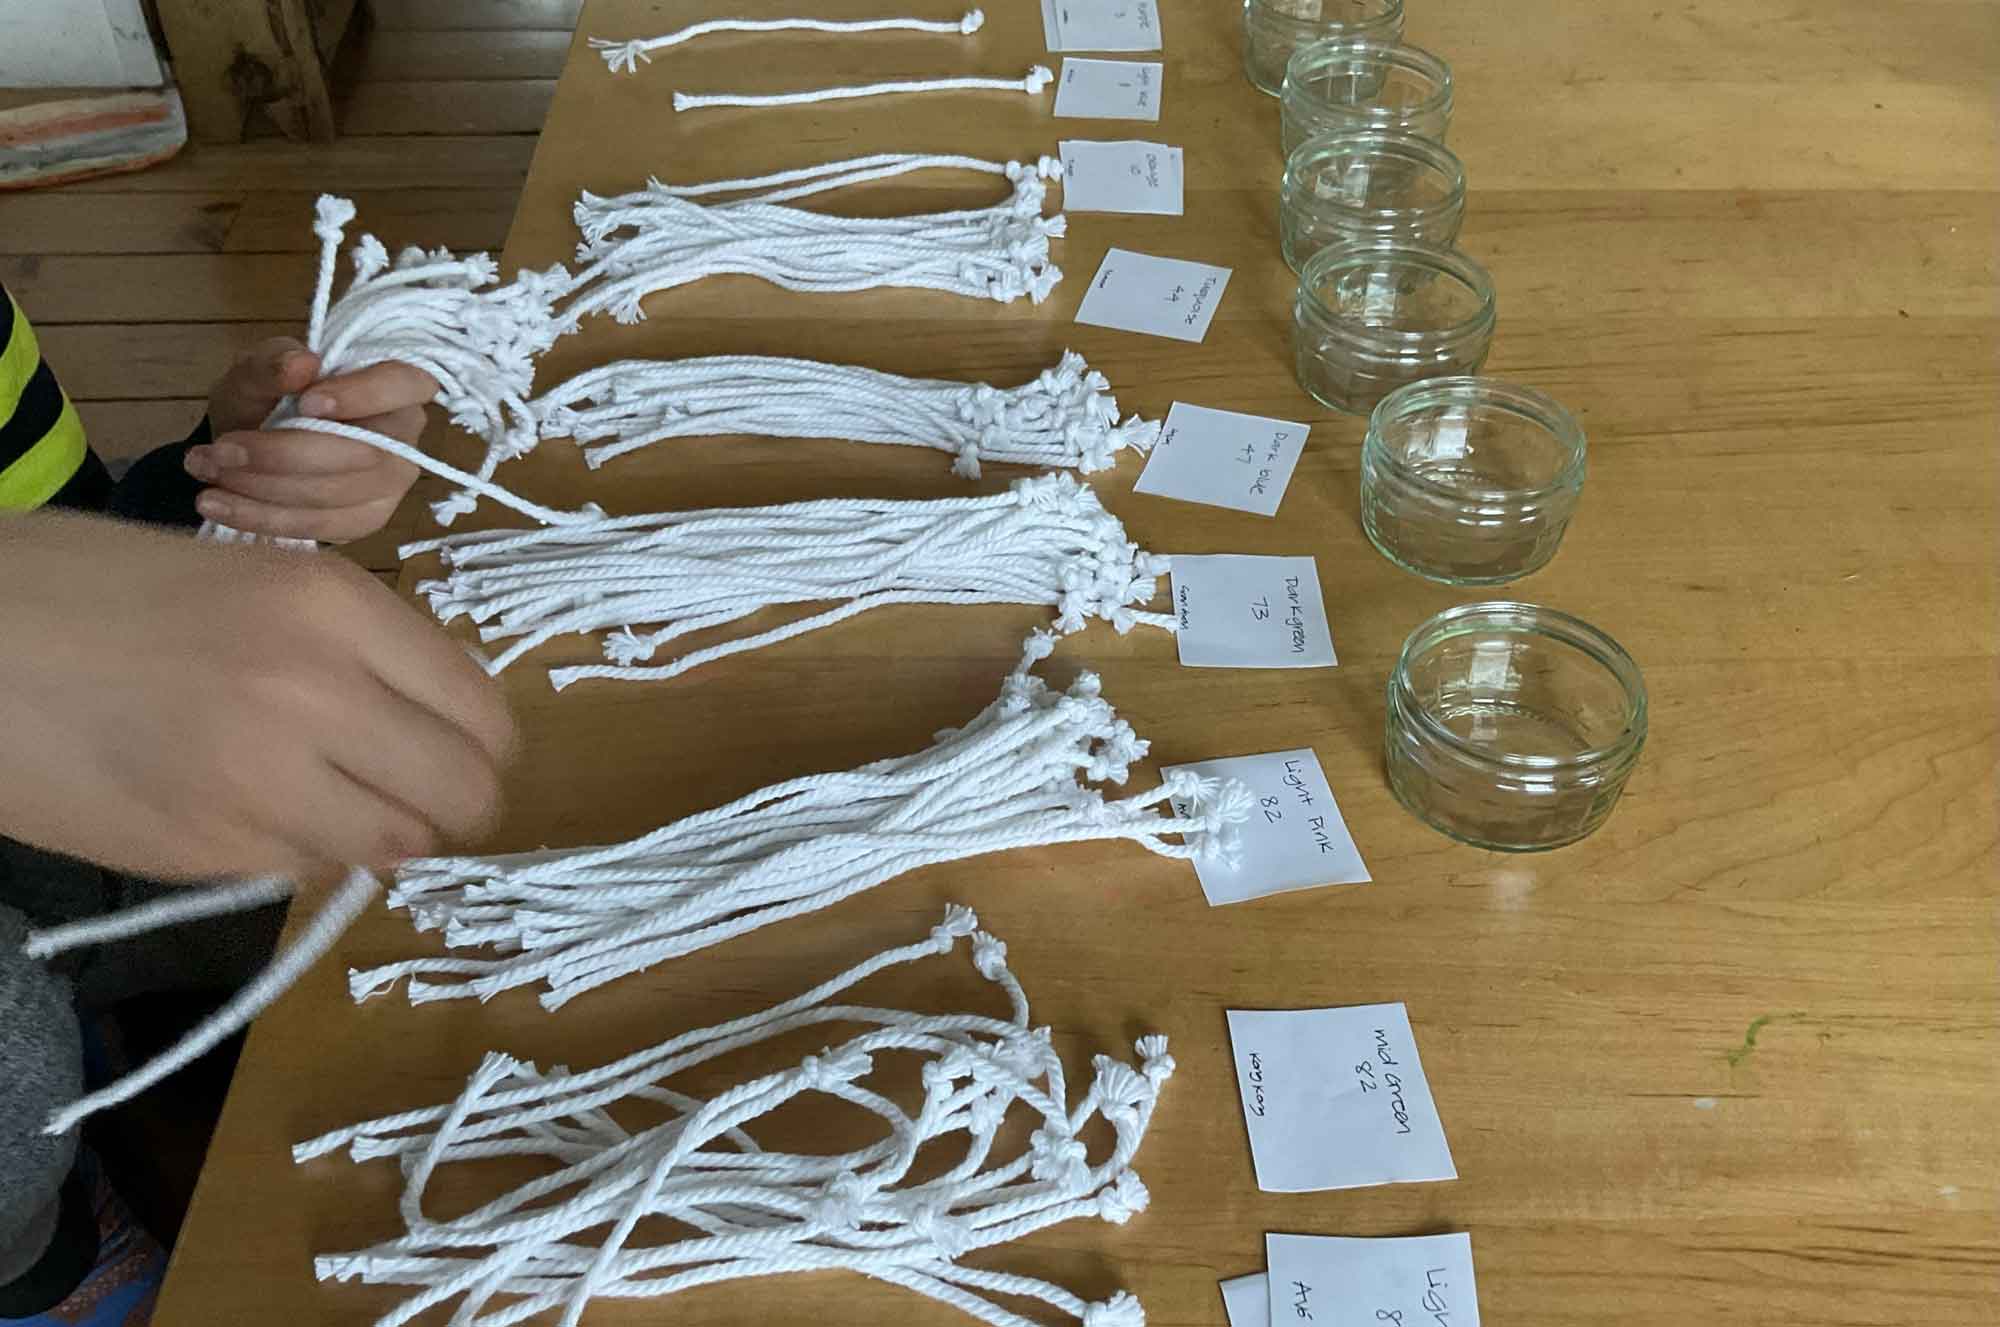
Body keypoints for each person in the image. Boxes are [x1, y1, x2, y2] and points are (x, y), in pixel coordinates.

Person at [0, 281, 516, 1322]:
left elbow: (58, 534)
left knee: (425, 886)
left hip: (77, 825)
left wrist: (213, 493)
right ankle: (36, 1262)